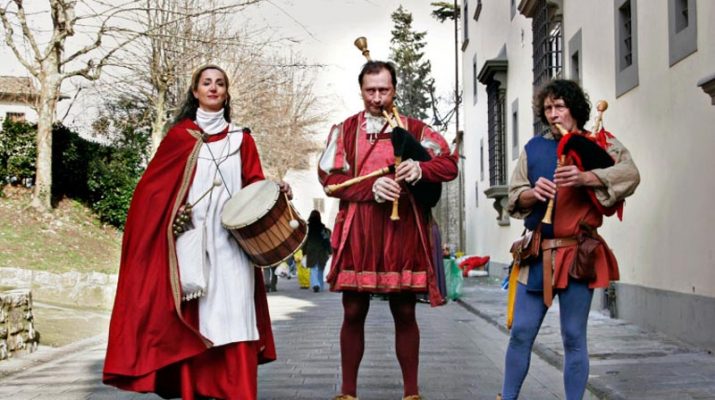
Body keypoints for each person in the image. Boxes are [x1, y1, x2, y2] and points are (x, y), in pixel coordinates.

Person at [103, 64, 292, 400]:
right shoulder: (178, 138)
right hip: (192, 243)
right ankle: (196, 392)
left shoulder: (241, 139)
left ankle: (238, 392)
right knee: (200, 319)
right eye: (207, 83)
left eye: (220, 83)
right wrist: (173, 216)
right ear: (195, 92)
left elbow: (253, 183)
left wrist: (275, 189)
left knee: (235, 316)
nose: (214, 88)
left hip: (233, 246)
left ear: (226, 92)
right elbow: (151, 193)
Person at [318, 60, 458, 400]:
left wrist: (421, 168)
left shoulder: (416, 129)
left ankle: (411, 392)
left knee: (405, 310)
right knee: (353, 310)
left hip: (402, 230)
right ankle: (347, 392)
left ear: (394, 89)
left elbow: (450, 163)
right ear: (361, 90)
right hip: (360, 231)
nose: (377, 98)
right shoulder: (346, 130)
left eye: (384, 90)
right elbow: (330, 181)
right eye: (370, 90)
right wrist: (373, 188)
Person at [500, 79, 640, 400]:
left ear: (573, 108)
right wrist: (531, 194)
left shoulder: (599, 142)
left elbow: (630, 174)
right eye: (548, 108)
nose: (553, 114)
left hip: (579, 253)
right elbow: (514, 195)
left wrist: (586, 177)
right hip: (536, 252)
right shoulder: (534, 148)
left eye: (559, 106)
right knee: (520, 333)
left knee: (574, 337)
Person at [302, 209, 332, 292]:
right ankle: (320, 285)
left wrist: (304, 252)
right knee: (320, 269)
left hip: (311, 250)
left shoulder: (307, 229)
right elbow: (326, 240)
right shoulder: (322, 228)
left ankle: (315, 284)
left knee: (313, 268)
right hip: (321, 251)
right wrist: (330, 251)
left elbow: (304, 241)